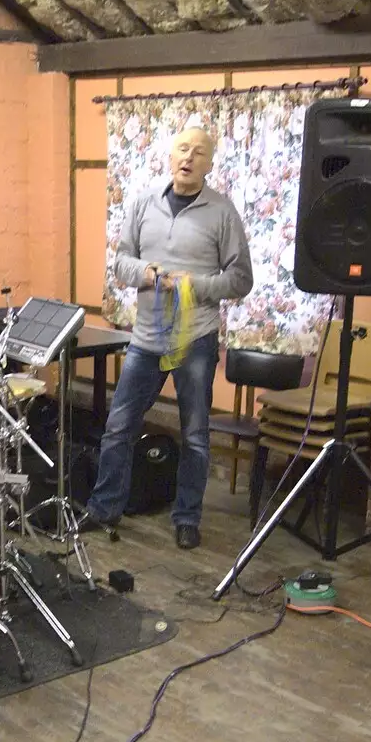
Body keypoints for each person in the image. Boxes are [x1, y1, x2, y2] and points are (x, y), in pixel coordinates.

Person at [83, 127, 254, 550]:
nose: (188, 158)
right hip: (146, 338)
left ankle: (186, 518)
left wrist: (195, 284)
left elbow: (241, 279)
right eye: (183, 149)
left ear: (209, 164)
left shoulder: (223, 212)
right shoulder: (143, 203)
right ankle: (104, 508)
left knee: (195, 435)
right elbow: (120, 261)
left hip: (195, 339)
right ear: (170, 155)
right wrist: (145, 274)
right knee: (119, 426)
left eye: (199, 153)